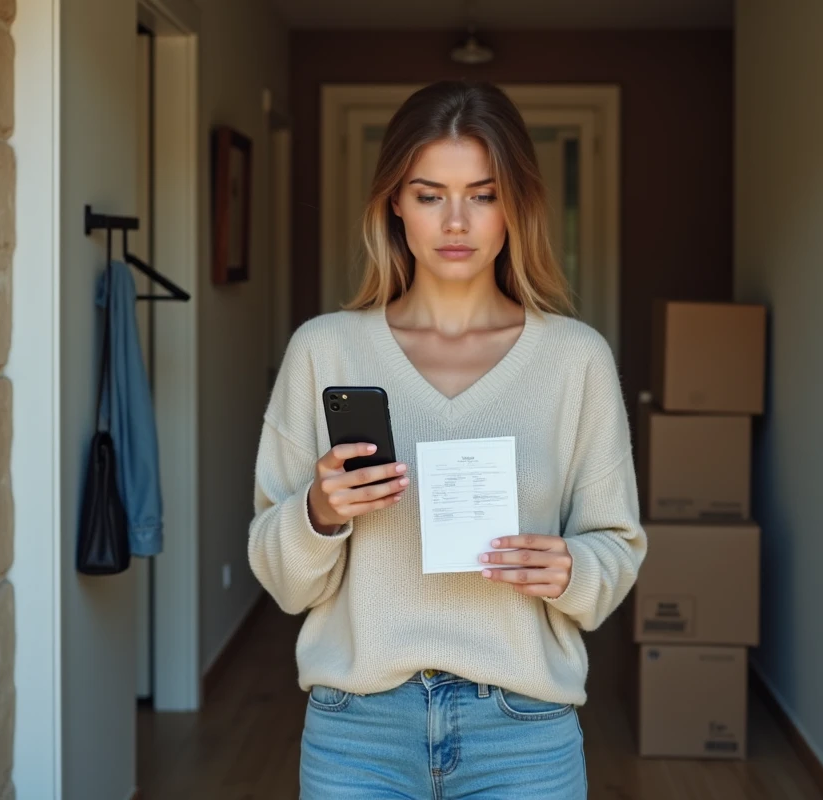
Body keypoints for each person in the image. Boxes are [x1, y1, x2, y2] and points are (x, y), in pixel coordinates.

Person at [248, 79, 646, 799]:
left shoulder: (575, 359)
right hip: (357, 730)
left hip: (523, 729)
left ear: (516, 204)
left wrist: (572, 570)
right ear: (394, 203)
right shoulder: (325, 351)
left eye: (482, 194)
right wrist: (320, 511)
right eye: (430, 194)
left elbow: (616, 548)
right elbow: (280, 578)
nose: (455, 221)